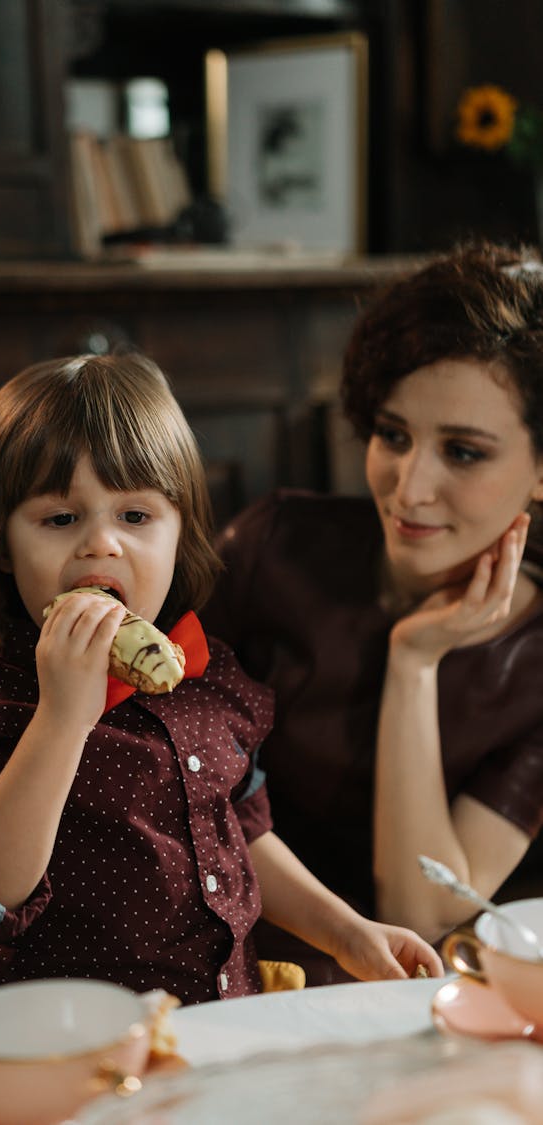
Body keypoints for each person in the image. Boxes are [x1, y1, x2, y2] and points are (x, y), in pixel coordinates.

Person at [0, 353, 441, 1005]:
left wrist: (346, 931)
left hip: (228, 1025)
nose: (102, 545)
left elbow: (243, 834)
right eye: (61, 519)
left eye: (136, 517)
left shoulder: (211, 680)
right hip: (80, 1055)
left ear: (180, 532)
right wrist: (61, 719)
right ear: (2, 545)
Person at [201, 240, 543, 985]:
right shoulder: (269, 549)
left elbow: (421, 912)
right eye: (393, 435)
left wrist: (414, 663)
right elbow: (152, 774)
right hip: (213, 951)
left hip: (397, 991)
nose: (408, 486)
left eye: (463, 451)